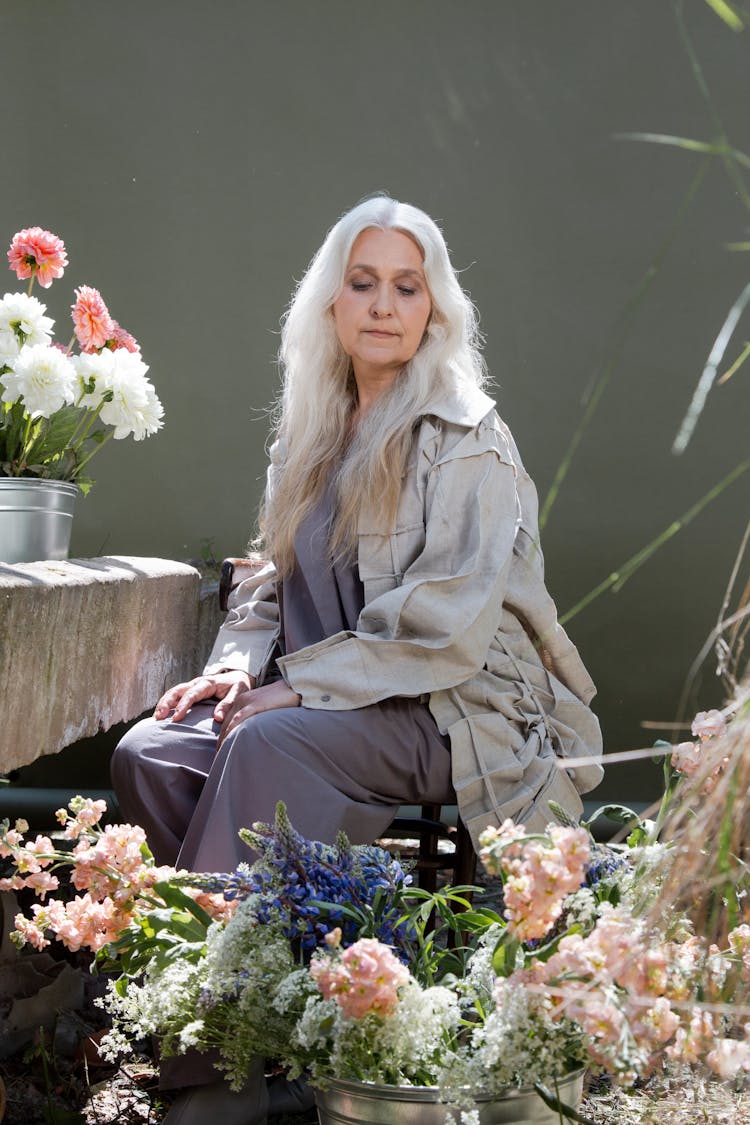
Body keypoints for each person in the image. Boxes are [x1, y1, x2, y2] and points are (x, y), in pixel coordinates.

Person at [111, 195, 604, 1123]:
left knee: (264, 749)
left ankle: (213, 1068)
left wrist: (297, 686)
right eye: (363, 282)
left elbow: (448, 627)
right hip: (324, 702)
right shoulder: (306, 431)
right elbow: (268, 577)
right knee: (154, 753)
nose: (383, 304)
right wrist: (236, 665)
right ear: (330, 303)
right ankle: (298, 1020)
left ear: (434, 309)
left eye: (405, 286)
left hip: (451, 713)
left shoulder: (467, 439)